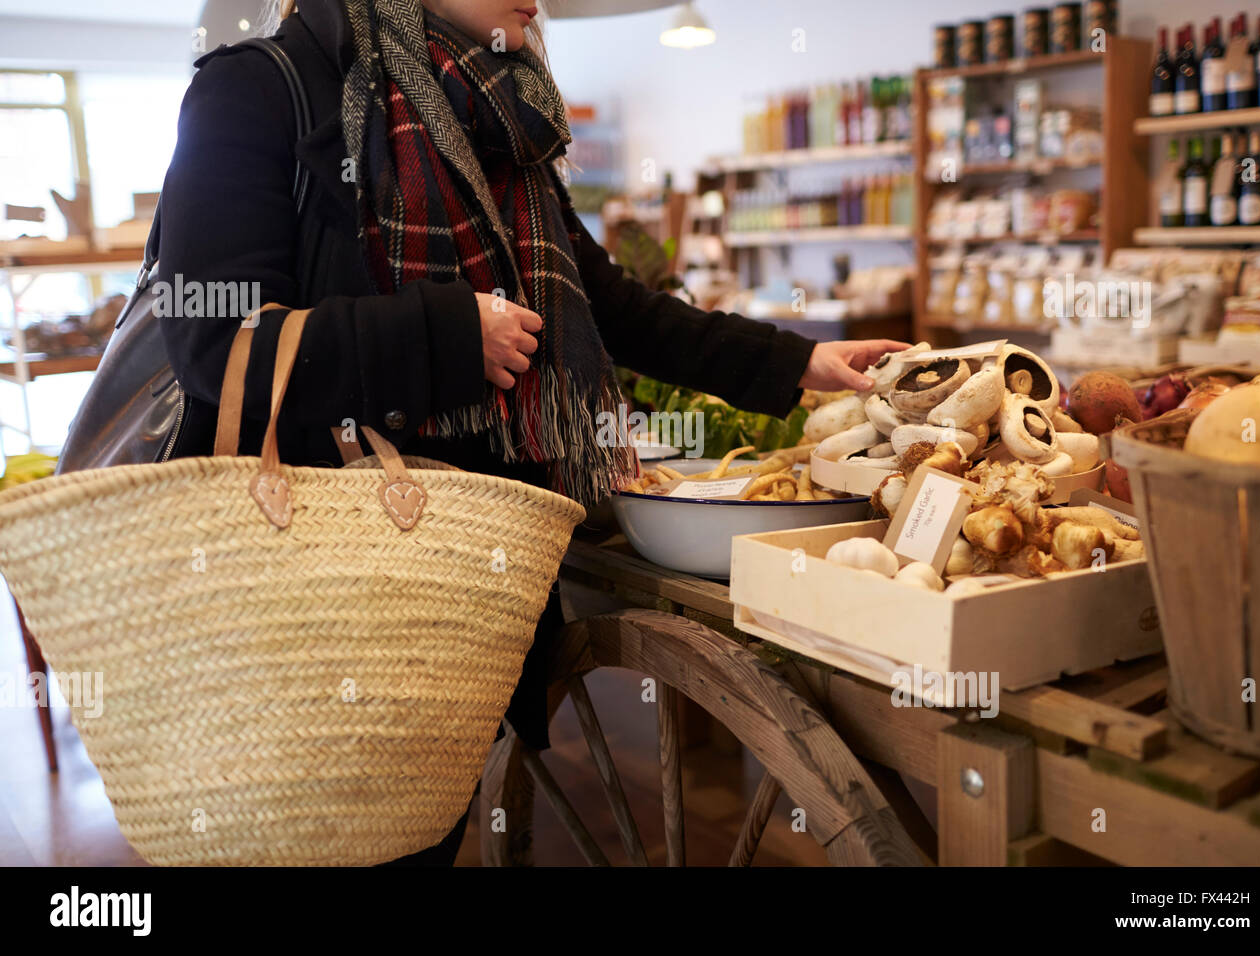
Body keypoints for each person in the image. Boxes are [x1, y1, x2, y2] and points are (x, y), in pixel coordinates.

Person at [158, 0, 911, 864]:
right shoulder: (260, 89)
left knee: (422, 840)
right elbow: (220, 342)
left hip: (465, 595)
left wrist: (798, 364)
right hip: (308, 596)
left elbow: (617, 307)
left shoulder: (502, 120)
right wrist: (446, 336)